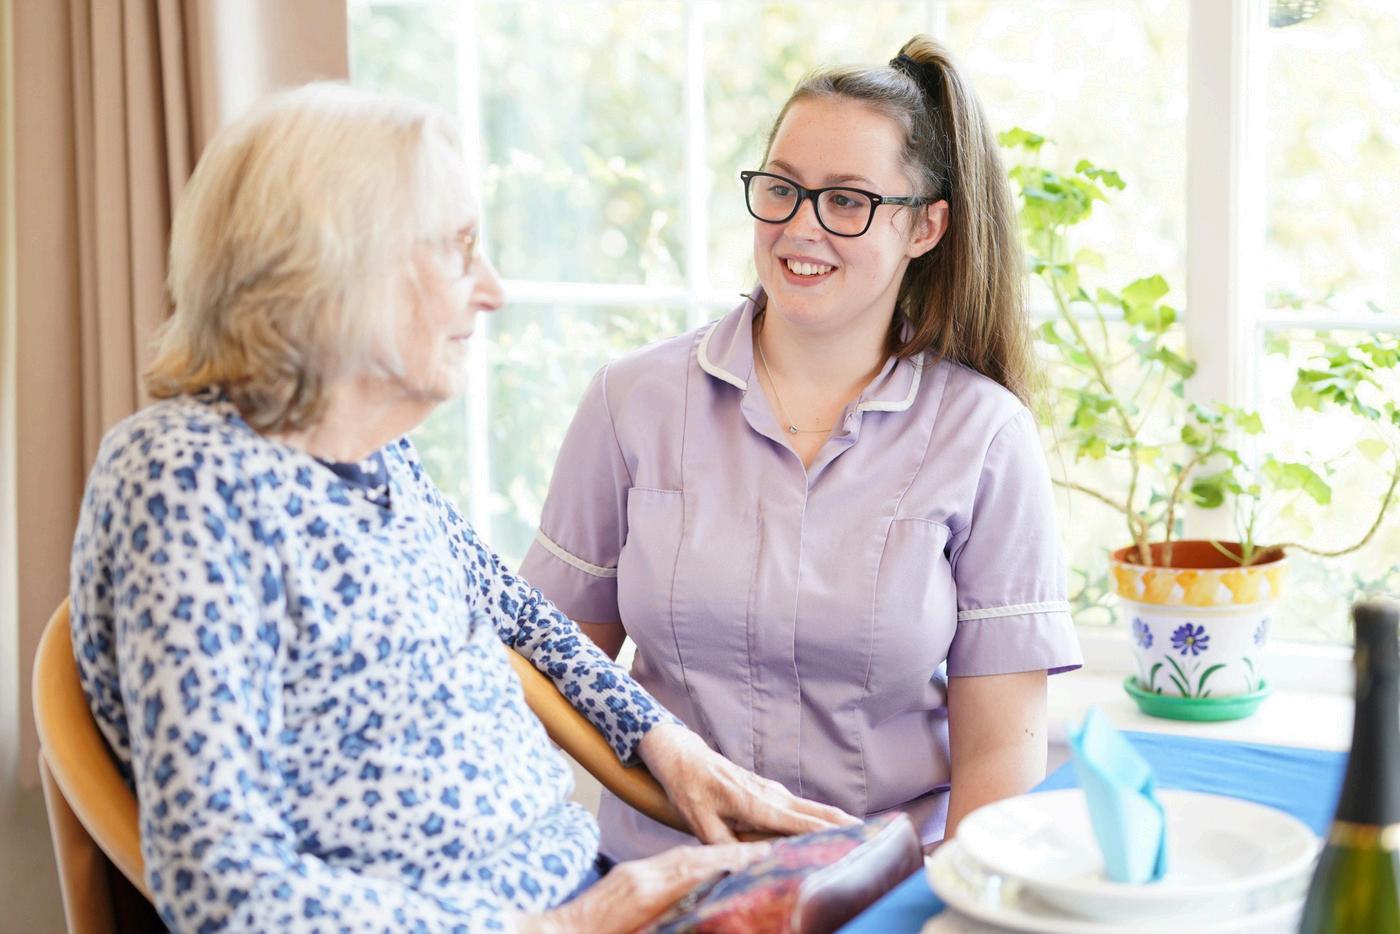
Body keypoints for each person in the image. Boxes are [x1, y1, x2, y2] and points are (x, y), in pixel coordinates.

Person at [69, 83, 853, 933]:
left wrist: (672, 745)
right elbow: (225, 890)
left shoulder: (375, 458)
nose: (492, 290)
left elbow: (523, 618)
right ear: (334, 265)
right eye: (458, 250)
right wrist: (569, 926)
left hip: (587, 891)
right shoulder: (186, 483)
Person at [519, 35, 1084, 861]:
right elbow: (551, 671)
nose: (800, 227)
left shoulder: (986, 437)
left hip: (887, 888)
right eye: (781, 189)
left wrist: (941, 909)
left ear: (925, 226)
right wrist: (660, 783)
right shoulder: (629, 402)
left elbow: (1000, 757)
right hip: (663, 876)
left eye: (847, 201)